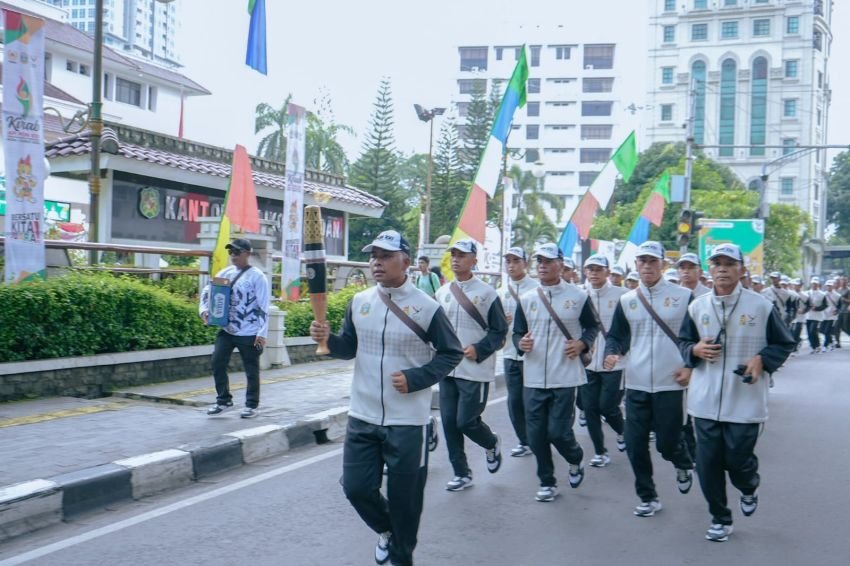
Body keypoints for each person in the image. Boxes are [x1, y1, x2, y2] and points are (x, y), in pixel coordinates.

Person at [309, 230, 463, 566]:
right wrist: (328, 339)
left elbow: (451, 353)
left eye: (385, 256)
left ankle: (401, 554)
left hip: (407, 420)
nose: (376, 262)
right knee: (356, 488)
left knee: (405, 501)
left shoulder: (427, 308)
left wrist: (416, 377)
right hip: (363, 415)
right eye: (373, 256)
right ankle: (388, 530)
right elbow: (348, 348)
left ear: (405, 261)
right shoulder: (360, 302)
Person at [678, 243, 795, 543]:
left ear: (742, 270)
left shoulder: (761, 306)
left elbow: (784, 343)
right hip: (703, 402)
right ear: (709, 269)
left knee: (737, 461)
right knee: (707, 465)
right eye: (716, 263)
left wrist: (762, 360)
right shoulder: (697, 307)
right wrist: (694, 350)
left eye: (729, 264)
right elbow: (683, 343)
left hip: (744, 401)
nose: (722, 269)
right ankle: (720, 517)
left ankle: (748, 485)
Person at [604, 241, 695, 517]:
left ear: (663, 265)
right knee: (634, 442)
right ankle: (648, 496)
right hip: (637, 382)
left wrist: (690, 366)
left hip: (671, 383)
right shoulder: (627, 301)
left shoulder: (684, 297)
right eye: (642, 261)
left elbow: (697, 337)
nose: (646, 266)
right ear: (635, 265)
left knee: (668, 443)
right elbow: (617, 336)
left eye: (652, 261)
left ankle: (682, 462)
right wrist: (612, 353)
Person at [513, 243, 599, 502]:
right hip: (534, 375)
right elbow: (518, 332)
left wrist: (582, 343)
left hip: (565, 376)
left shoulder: (579, 296)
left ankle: (575, 457)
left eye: (549, 261)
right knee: (536, 434)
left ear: (561, 264)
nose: (542, 265)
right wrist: (521, 343)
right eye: (539, 260)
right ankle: (547, 481)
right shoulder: (527, 299)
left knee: (558, 432)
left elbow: (592, 327)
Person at [435, 239, 509, 491]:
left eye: (462, 255)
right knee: (448, 422)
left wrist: (479, 348)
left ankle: (490, 443)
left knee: (466, 421)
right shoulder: (442, 293)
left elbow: (500, 332)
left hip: (475, 370)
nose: (456, 259)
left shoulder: (487, 294)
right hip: (448, 369)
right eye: (453, 254)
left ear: (474, 260)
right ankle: (461, 473)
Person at [199, 238, 270, 419]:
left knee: (251, 368)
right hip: (227, 329)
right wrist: (204, 311)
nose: (233, 256)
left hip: (249, 331)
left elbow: (263, 306)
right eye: (231, 252)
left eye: (236, 252)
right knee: (217, 362)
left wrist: (261, 334)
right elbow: (207, 292)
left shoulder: (258, 277)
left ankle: (251, 405)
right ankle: (224, 400)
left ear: (247, 253)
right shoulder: (226, 272)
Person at [581, 254, 627, 468]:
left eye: (598, 269)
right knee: (590, 408)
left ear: (608, 272)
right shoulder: (579, 295)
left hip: (614, 363)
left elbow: (629, 330)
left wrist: (620, 351)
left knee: (608, 407)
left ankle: (622, 431)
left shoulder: (623, 296)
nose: (594, 273)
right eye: (590, 269)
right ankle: (600, 452)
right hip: (588, 362)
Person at [500, 246, 538, 458]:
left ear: (525, 263)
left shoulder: (536, 289)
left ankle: (538, 437)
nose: (512, 265)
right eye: (509, 261)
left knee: (531, 401)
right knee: (514, 400)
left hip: (532, 355)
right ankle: (524, 441)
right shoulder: (501, 292)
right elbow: (494, 325)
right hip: (509, 354)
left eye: (516, 260)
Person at [805, 277, 828, 353]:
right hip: (808, 315)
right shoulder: (807, 293)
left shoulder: (822, 294)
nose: (814, 285)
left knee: (812, 330)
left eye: (815, 284)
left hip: (817, 316)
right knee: (809, 332)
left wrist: (817, 308)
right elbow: (804, 303)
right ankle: (813, 347)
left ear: (818, 284)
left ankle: (817, 345)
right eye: (813, 283)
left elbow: (825, 305)